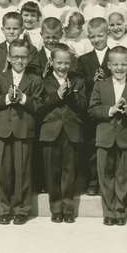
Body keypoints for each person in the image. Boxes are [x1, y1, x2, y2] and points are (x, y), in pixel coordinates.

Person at [88, 46, 127, 226]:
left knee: (123, 175)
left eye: (123, 64)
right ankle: (109, 211)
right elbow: (92, 109)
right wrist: (109, 110)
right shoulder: (100, 85)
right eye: (115, 64)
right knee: (105, 175)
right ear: (109, 65)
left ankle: (120, 210)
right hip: (105, 138)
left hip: (125, 138)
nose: (119, 68)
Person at [0, 38, 43, 225]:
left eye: (23, 57)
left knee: (23, 172)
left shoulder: (35, 80)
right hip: (3, 129)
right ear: (9, 58)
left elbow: (39, 106)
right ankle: (4, 209)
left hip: (23, 130)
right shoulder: (0, 78)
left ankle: (21, 209)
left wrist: (23, 99)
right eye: (16, 57)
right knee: (3, 173)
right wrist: (6, 98)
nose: (19, 61)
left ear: (28, 59)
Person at [37, 44, 86, 223]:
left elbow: (83, 106)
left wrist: (70, 95)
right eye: (59, 63)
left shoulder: (78, 81)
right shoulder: (43, 81)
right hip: (50, 131)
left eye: (67, 63)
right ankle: (56, 208)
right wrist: (57, 95)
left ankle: (68, 208)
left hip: (71, 131)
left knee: (69, 171)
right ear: (51, 62)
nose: (63, 66)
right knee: (52, 172)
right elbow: (39, 107)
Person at [77, 17, 110, 196]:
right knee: (91, 145)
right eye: (92, 37)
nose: (96, 40)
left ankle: (106, 179)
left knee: (108, 144)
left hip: (109, 106)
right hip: (91, 108)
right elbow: (79, 81)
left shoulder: (115, 56)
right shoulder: (83, 60)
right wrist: (92, 80)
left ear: (107, 34)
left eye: (100, 35)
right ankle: (92, 180)